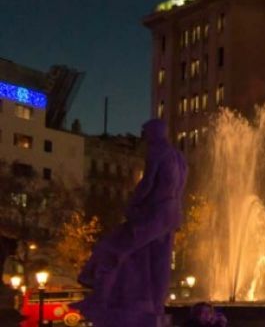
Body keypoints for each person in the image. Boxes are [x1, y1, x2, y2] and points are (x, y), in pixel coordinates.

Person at [72, 118, 188, 327]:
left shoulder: (157, 151)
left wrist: (132, 203)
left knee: (114, 247)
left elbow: (148, 182)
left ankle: (101, 298)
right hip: (172, 213)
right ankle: (156, 307)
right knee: (158, 262)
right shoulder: (179, 157)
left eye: (146, 134)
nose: (145, 139)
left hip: (155, 212)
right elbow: (179, 188)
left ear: (154, 133)